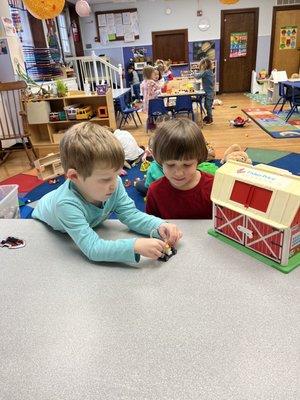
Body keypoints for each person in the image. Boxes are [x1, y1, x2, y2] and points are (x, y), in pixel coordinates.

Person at [32, 122, 182, 264]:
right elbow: (93, 248)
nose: (114, 184)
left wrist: (159, 225)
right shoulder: (65, 204)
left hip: (85, 219)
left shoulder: (113, 183)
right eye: (105, 179)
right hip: (44, 222)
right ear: (74, 176)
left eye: (116, 174)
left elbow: (131, 215)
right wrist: (134, 246)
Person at [146, 118, 214, 219]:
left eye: (187, 165)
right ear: (159, 160)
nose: (178, 174)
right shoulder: (154, 191)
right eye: (170, 165)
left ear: (199, 158)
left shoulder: (214, 187)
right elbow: (152, 226)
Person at [194, 58, 215, 125]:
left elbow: (198, 76)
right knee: (206, 105)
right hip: (210, 92)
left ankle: (210, 119)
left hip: (209, 93)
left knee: (208, 106)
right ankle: (208, 116)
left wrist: (193, 73)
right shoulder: (209, 71)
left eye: (201, 66)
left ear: (204, 65)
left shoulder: (206, 72)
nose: (201, 68)